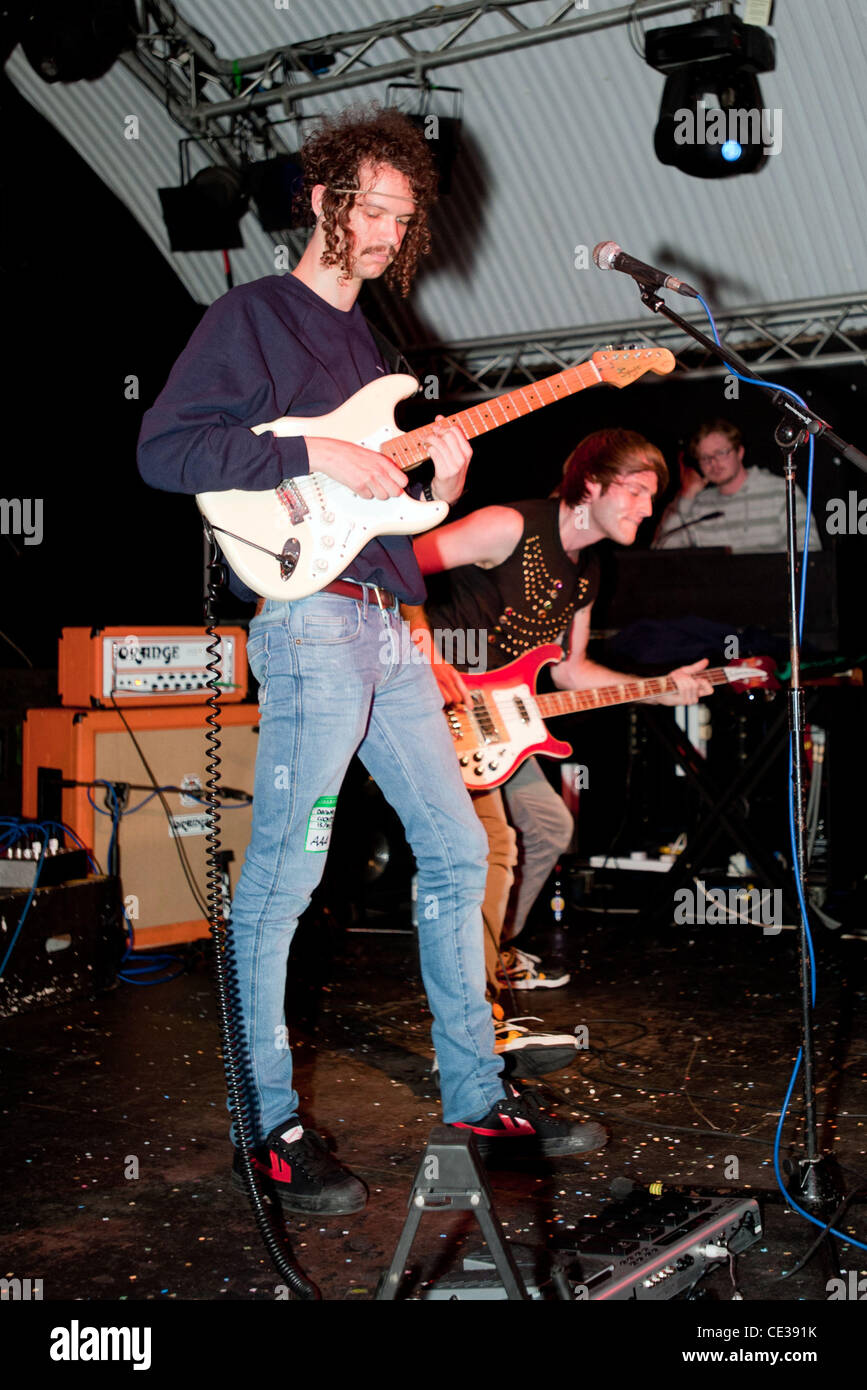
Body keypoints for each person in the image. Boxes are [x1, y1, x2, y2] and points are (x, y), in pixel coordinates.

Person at [137, 107, 606, 1217]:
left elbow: (377, 514)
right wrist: (310, 445)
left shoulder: (376, 349)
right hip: (309, 634)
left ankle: (475, 1097)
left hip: (389, 633)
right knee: (282, 886)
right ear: (322, 200)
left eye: (405, 216)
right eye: (373, 208)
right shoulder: (250, 318)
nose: (390, 231)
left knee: (458, 846)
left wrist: (431, 494)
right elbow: (164, 448)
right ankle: (270, 1127)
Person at [404, 429, 713, 998]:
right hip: (435, 704)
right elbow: (398, 560)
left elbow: (570, 670)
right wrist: (420, 646)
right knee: (493, 843)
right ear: (591, 485)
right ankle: (474, 1006)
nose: (648, 510)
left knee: (548, 827)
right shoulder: (510, 525)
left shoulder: (588, 573)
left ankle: (490, 953)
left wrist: (660, 688)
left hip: (500, 723)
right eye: (638, 492)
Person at [653, 418, 820, 551]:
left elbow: (809, 553)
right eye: (705, 458)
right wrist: (686, 496)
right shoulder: (697, 503)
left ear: (740, 452)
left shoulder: (780, 492)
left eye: (721, 453)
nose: (714, 463)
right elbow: (662, 553)